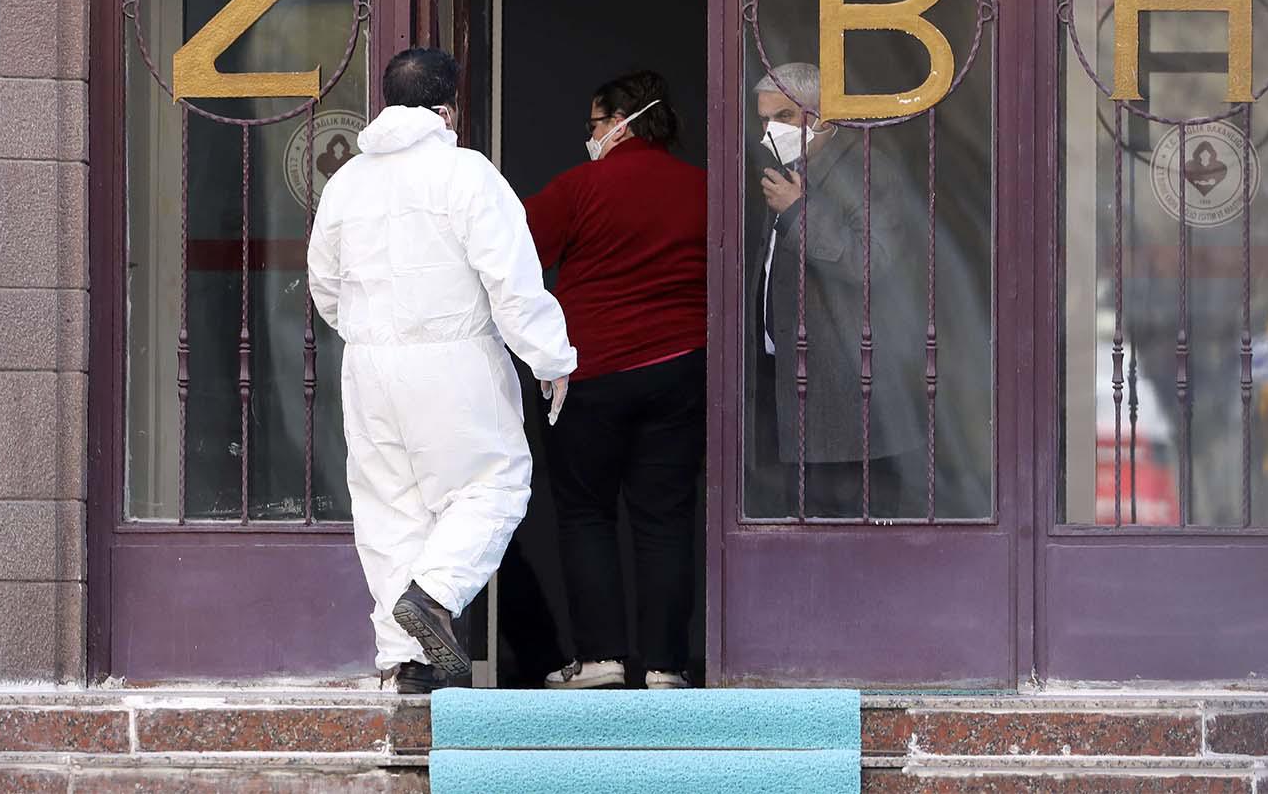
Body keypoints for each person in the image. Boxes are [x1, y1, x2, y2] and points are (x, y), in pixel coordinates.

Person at [308, 48, 577, 695]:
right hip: (454, 362)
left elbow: (324, 285)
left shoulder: (348, 181)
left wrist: (374, 336)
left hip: (368, 368)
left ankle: (411, 663)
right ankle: (432, 598)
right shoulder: (466, 174)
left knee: (390, 511)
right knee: (497, 484)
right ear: (447, 108)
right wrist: (551, 357)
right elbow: (511, 279)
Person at [523, 69, 708, 691]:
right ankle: (664, 665)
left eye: (595, 123)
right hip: (679, 369)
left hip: (591, 375)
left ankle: (600, 659)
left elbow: (518, 255)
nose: (590, 135)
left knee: (586, 516)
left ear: (623, 121)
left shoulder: (579, 188)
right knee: (665, 520)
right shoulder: (702, 189)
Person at [751, 62, 925, 518]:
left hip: (849, 407)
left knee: (854, 550)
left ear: (823, 115)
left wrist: (798, 212)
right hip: (788, 390)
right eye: (764, 118)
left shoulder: (867, 169)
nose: (770, 130)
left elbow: (870, 263)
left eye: (784, 117)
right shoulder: (787, 170)